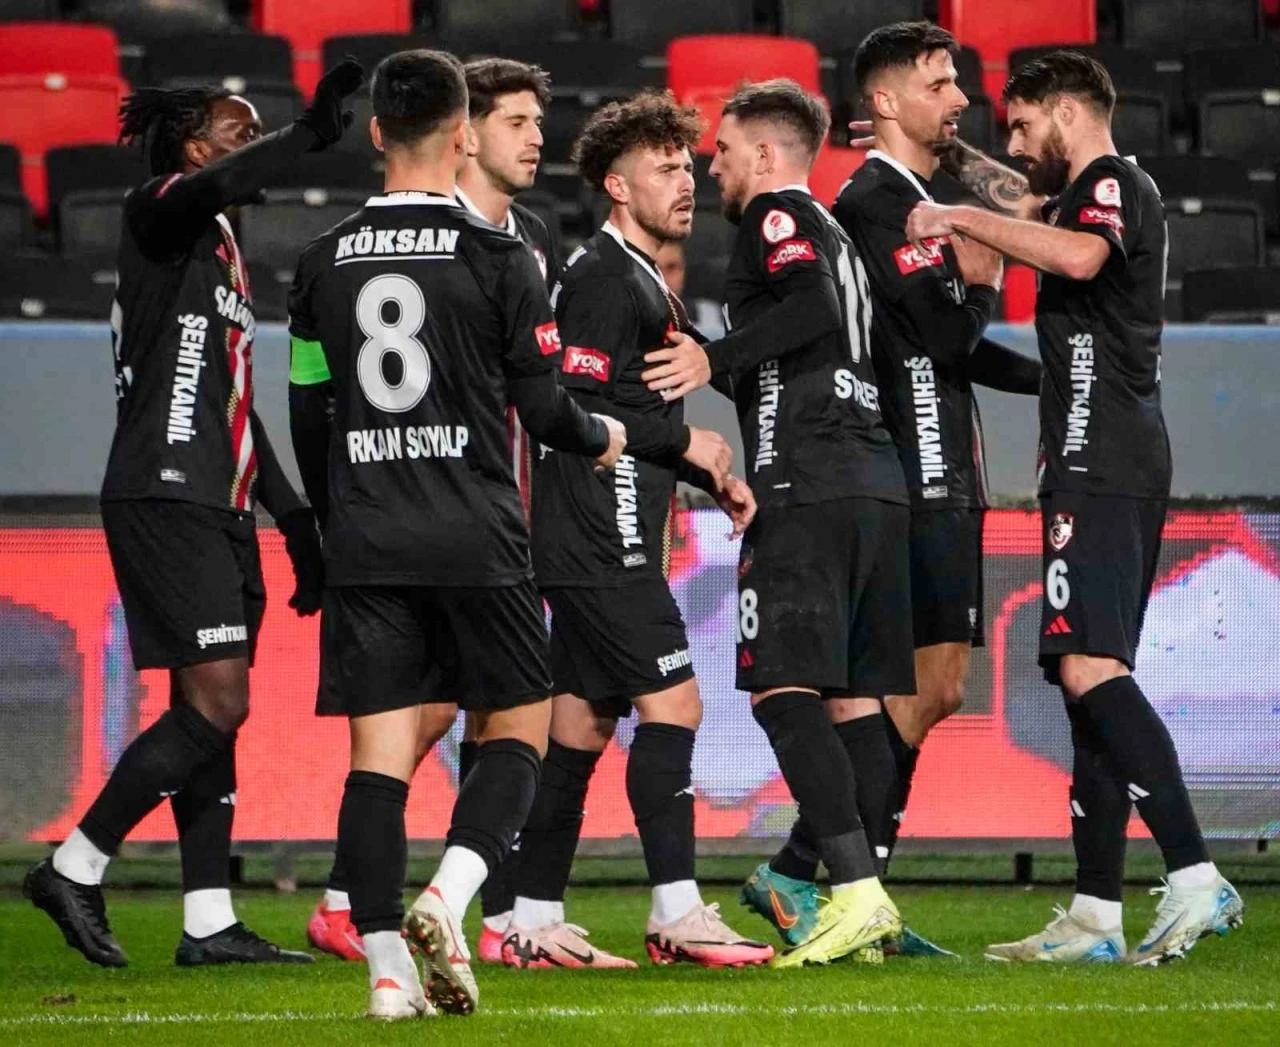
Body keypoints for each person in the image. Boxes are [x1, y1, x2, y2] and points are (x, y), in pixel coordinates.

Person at [288, 49, 624, 1019]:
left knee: (378, 761)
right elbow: (546, 411)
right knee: (518, 724)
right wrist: (602, 435)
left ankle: (387, 973)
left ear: (376, 132)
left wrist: (329, 524)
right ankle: (449, 894)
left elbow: (308, 410)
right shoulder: (502, 258)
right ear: (464, 134)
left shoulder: (319, 261)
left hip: (367, 536)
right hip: (477, 532)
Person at [902, 50, 1243, 965]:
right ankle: (1095, 912)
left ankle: (1195, 873)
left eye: (1021, 124)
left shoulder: (1111, 187)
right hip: (1098, 459)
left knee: (1092, 667)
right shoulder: (1088, 190)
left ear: (1064, 111)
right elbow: (1028, 203)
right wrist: (942, 154)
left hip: (1105, 459)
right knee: (1083, 676)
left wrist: (954, 214)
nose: (1014, 143)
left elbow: (1078, 251)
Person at [23, 62, 364, 969]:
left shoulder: (218, 248)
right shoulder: (158, 210)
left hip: (217, 497)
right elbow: (221, 183)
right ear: (192, 146)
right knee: (218, 701)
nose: (251, 144)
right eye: (238, 130)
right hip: (165, 488)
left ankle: (209, 920)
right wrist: (304, 136)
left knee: (211, 708)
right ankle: (74, 864)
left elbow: (236, 402)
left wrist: (295, 521)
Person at [741, 22, 1041, 958]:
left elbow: (953, 338)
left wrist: (1055, 382)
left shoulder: (914, 198)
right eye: (940, 84)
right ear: (884, 101)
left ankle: (834, 879)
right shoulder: (874, 202)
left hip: (941, 466)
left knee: (927, 689)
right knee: (912, 688)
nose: (961, 99)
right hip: (914, 469)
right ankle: (832, 878)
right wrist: (981, 280)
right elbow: (949, 336)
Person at [643, 79, 911, 968]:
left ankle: (856, 893)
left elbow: (808, 311)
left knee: (782, 691)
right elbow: (817, 342)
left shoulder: (776, 216)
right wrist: (717, 370)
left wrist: (711, 356)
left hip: (808, 481)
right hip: (873, 482)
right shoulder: (837, 234)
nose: (712, 166)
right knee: (858, 703)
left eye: (722, 150)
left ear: (765, 153)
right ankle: (858, 899)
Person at [499, 90, 770, 970]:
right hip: (596, 535)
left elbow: (625, 406)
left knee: (579, 729)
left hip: (602, 532)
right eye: (664, 168)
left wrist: (705, 470)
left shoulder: (640, 278)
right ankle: (676, 911)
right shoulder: (604, 281)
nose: (686, 182)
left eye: (688, 166)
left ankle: (530, 919)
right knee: (676, 705)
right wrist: (686, 442)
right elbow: (571, 404)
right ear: (617, 187)